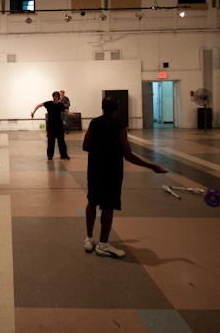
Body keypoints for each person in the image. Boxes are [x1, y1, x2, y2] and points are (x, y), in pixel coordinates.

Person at [83, 96, 169, 257]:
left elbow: (85, 146)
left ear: (102, 107)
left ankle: (89, 240)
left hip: (94, 170)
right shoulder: (120, 127)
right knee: (108, 206)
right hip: (112, 172)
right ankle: (103, 245)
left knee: (92, 202)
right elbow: (128, 155)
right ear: (117, 109)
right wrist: (152, 166)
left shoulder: (94, 123)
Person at [31, 91, 70, 160]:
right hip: (51, 125)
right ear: (53, 97)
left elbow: (67, 112)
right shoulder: (49, 104)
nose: (55, 98)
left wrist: (74, 114)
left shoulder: (60, 105)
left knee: (61, 140)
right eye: (54, 96)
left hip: (59, 126)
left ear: (58, 97)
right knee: (51, 141)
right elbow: (39, 105)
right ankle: (50, 155)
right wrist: (33, 112)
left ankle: (63, 154)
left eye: (57, 97)